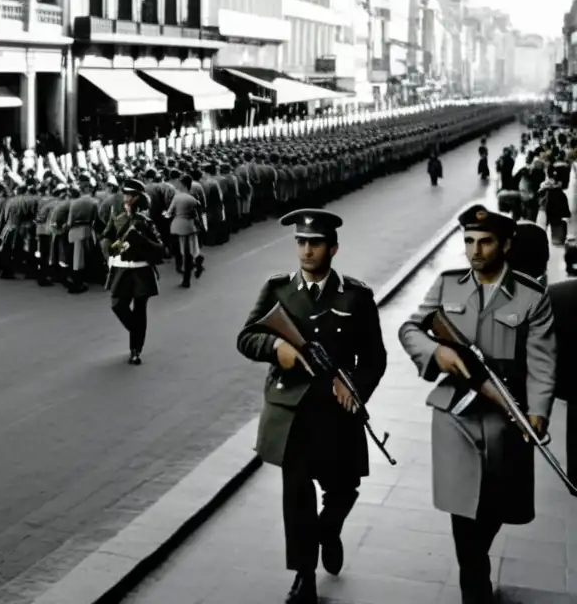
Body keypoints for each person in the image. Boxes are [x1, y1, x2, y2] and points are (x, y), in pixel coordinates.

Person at [398, 204, 556, 604]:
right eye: (468, 241)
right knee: (463, 504)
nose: (475, 251)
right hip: (454, 411)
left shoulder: (531, 296)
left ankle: (475, 560)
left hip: (507, 412)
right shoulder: (447, 285)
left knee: (496, 507)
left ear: (505, 244)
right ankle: (475, 585)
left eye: (485, 242)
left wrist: (536, 413)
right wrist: (437, 353)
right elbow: (410, 328)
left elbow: (541, 363)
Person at [236, 209, 386, 604]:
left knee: (344, 488)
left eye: (315, 243)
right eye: (301, 243)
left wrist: (356, 389)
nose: (306, 250)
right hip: (293, 412)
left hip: (337, 412)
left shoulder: (357, 296)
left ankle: (329, 530)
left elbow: (375, 358)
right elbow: (247, 337)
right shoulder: (278, 290)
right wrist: (276, 347)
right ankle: (304, 575)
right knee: (297, 495)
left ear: (333, 248)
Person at [101, 178, 166, 365]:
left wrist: (141, 240)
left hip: (140, 271)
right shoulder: (117, 218)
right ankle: (136, 332)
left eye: (130, 195)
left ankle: (135, 350)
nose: (126, 198)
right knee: (117, 305)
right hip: (121, 269)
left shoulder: (145, 222)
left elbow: (161, 248)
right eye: (126, 195)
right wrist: (108, 250)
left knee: (139, 311)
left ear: (139, 198)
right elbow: (106, 236)